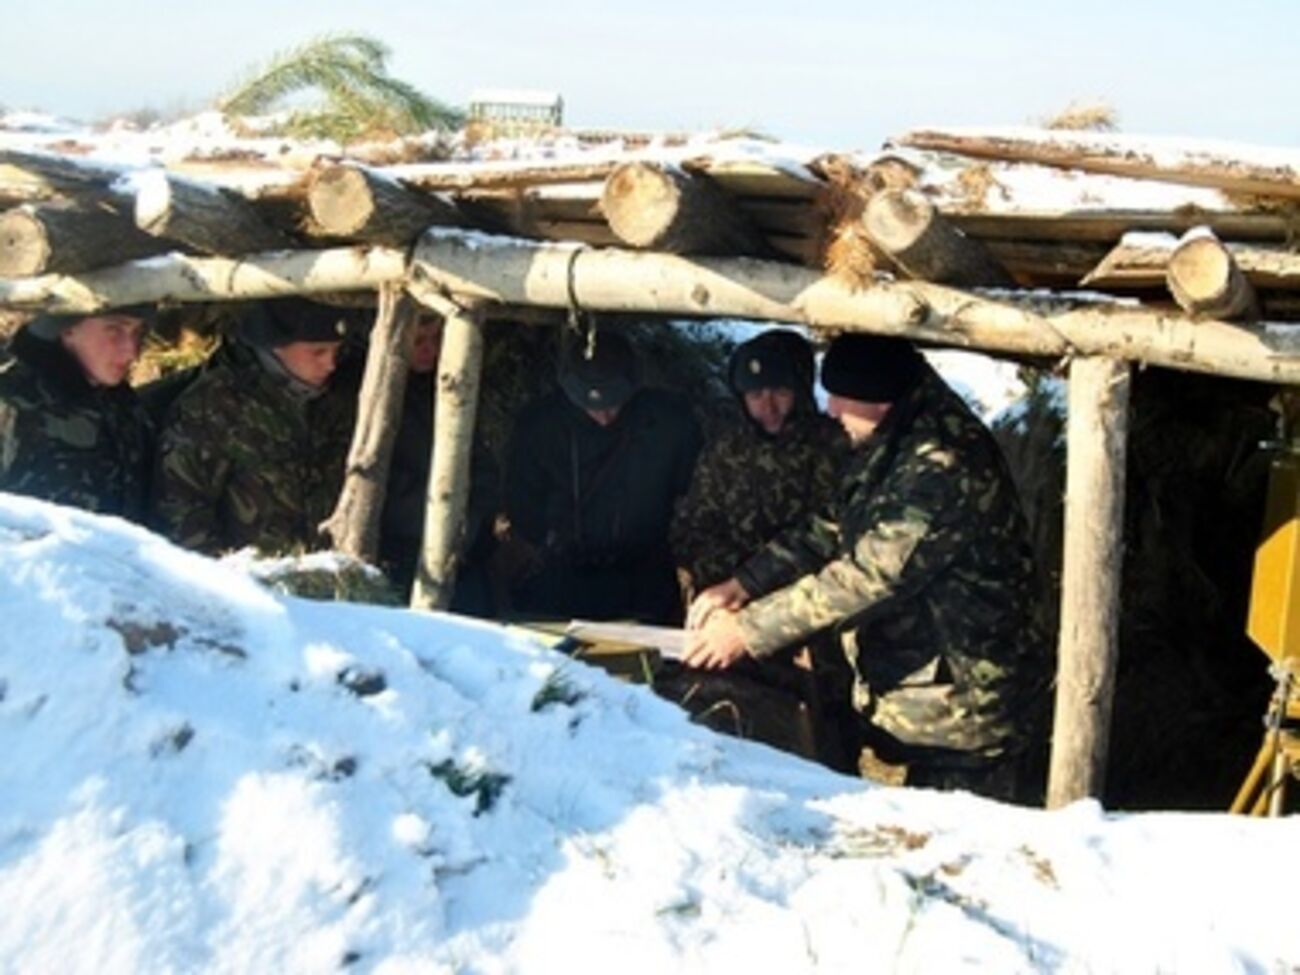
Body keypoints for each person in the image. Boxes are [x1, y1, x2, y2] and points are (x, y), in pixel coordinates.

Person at [684, 333, 1049, 801]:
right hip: (931, 699)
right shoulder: (897, 437)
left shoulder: (941, 463)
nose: (831, 410)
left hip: (969, 710)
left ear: (881, 399)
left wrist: (746, 632)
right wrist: (742, 583)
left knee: (960, 853)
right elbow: (833, 525)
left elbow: (867, 576)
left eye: (841, 398)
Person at [504, 326, 701, 624]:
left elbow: (692, 494)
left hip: (644, 576)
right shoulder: (539, 425)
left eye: (613, 403)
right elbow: (522, 499)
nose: (604, 415)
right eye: (591, 405)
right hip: (562, 576)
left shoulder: (669, 421)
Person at [151, 297, 358, 555]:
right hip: (244, 583)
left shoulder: (333, 401)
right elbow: (180, 508)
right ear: (276, 346)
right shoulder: (215, 405)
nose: (330, 364)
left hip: (322, 577)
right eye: (318, 352)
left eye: (336, 352)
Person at [671, 328, 848, 594]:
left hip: (808, 606)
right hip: (730, 600)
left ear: (799, 391)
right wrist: (732, 583)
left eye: (780, 393)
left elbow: (837, 537)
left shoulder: (835, 448)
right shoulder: (726, 449)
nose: (768, 407)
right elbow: (693, 529)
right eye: (756, 396)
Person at [378, 312, 499, 611]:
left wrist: (471, 522)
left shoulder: (454, 385)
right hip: (401, 552)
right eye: (418, 341)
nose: (429, 350)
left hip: (465, 552)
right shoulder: (375, 400)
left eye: (436, 339)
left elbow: (483, 466)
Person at [0, 308, 153, 520]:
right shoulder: (12, 404)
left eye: (138, 333)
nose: (132, 352)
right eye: (114, 330)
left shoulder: (123, 406)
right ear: (67, 329)